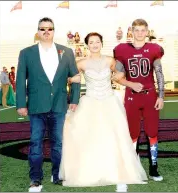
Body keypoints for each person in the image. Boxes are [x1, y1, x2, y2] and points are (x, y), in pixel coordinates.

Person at [59, 32, 148, 192]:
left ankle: (119, 173)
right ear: (87, 45)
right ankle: (90, 172)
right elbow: (67, 77)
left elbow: (121, 73)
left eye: (97, 41)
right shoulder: (80, 63)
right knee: (90, 137)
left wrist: (126, 80)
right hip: (90, 102)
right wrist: (71, 79)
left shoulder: (110, 60)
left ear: (101, 43)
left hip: (109, 102)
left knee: (115, 136)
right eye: (91, 42)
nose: (95, 45)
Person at [16, 17, 80, 192]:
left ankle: (57, 174)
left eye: (49, 29)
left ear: (54, 31)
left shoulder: (66, 51)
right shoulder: (26, 53)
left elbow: (75, 77)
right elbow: (21, 80)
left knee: (58, 143)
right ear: (38, 32)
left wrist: (74, 99)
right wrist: (21, 103)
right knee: (35, 143)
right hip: (36, 106)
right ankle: (35, 178)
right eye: (42, 29)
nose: (46, 32)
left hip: (59, 105)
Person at [113, 18, 165, 182]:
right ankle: (133, 167)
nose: (140, 33)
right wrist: (131, 84)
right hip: (131, 96)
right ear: (131, 31)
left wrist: (161, 96)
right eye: (137, 30)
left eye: (143, 30)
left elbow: (159, 74)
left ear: (147, 32)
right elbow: (117, 76)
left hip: (150, 96)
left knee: (152, 132)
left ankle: (153, 167)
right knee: (132, 133)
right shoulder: (122, 50)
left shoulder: (154, 49)